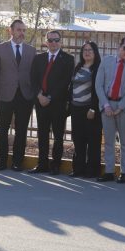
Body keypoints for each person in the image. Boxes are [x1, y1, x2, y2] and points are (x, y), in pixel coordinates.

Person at [0, 19, 36, 171]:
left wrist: (34, 94)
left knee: (21, 130)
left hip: (25, 95)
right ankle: (1, 162)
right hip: (5, 94)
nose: (22, 33)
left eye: (24, 30)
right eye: (19, 30)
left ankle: (17, 162)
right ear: (11, 31)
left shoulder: (31, 50)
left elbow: (34, 74)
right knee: (2, 129)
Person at [29, 30, 75, 175]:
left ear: (61, 42)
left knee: (58, 136)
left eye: (56, 40)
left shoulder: (68, 59)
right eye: (50, 40)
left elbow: (65, 82)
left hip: (58, 103)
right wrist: (39, 95)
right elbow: (33, 79)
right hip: (40, 102)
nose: (53, 43)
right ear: (46, 42)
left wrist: (49, 97)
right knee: (42, 135)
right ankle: (42, 164)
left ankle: (55, 165)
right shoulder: (38, 58)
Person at [96, 37, 125, 183]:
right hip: (107, 105)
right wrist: (106, 105)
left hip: (124, 107)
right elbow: (98, 85)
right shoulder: (106, 61)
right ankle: (109, 171)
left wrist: (121, 107)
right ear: (119, 47)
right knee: (109, 141)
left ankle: (124, 172)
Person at [69, 41, 103, 178]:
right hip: (76, 109)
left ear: (95, 53)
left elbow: (99, 90)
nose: (87, 52)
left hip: (90, 110)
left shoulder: (98, 69)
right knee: (78, 140)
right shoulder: (78, 67)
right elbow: (72, 87)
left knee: (93, 141)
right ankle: (78, 169)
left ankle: (92, 171)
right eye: (85, 50)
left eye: (90, 50)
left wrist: (93, 108)